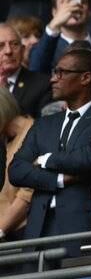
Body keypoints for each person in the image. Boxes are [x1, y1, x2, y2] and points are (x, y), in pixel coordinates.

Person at [10, 47, 91, 258]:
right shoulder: (45, 124)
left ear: (85, 78)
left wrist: (46, 159)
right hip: (37, 230)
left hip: (82, 229)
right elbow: (16, 170)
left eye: (61, 72)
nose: (53, 79)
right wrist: (59, 179)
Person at [0, 87, 33, 241]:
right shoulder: (6, 141)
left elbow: (27, 195)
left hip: (20, 234)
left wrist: (1, 229)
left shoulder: (32, 133)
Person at [0, 21, 49, 115]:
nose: (8, 51)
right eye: (0, 46)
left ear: (23, 50)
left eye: (15, 44)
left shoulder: (43, 84)